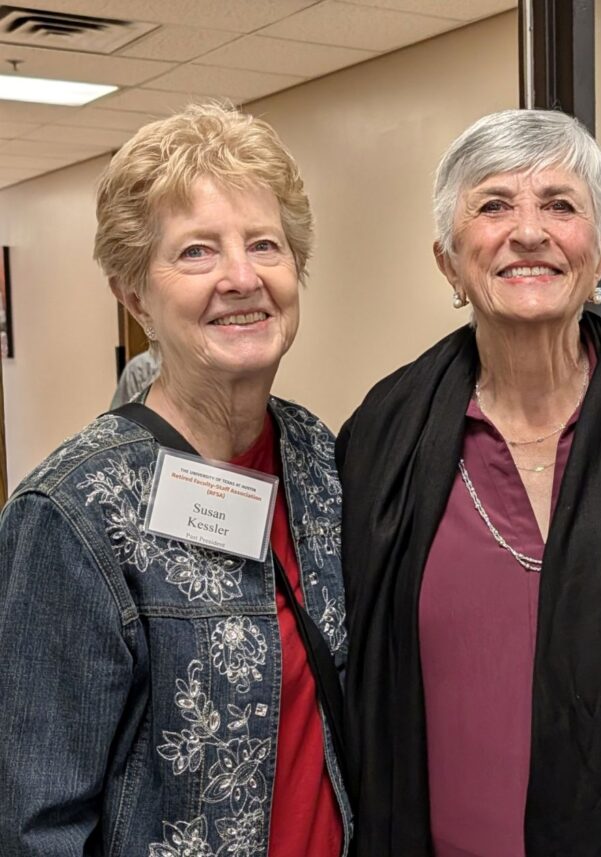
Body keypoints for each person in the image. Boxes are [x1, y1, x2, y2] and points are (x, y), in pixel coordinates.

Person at [336, 108, 601, 856]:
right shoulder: (383, 432)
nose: (528, 231)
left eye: (560, 205)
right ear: (448, 262)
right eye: (494, 205)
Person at [0, 103, 350, 856]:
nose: (241, 277)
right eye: (196, 252)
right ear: (135, 296)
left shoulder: (318, 459)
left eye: (265, 244)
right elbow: (34, 826)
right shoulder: (73, 513)